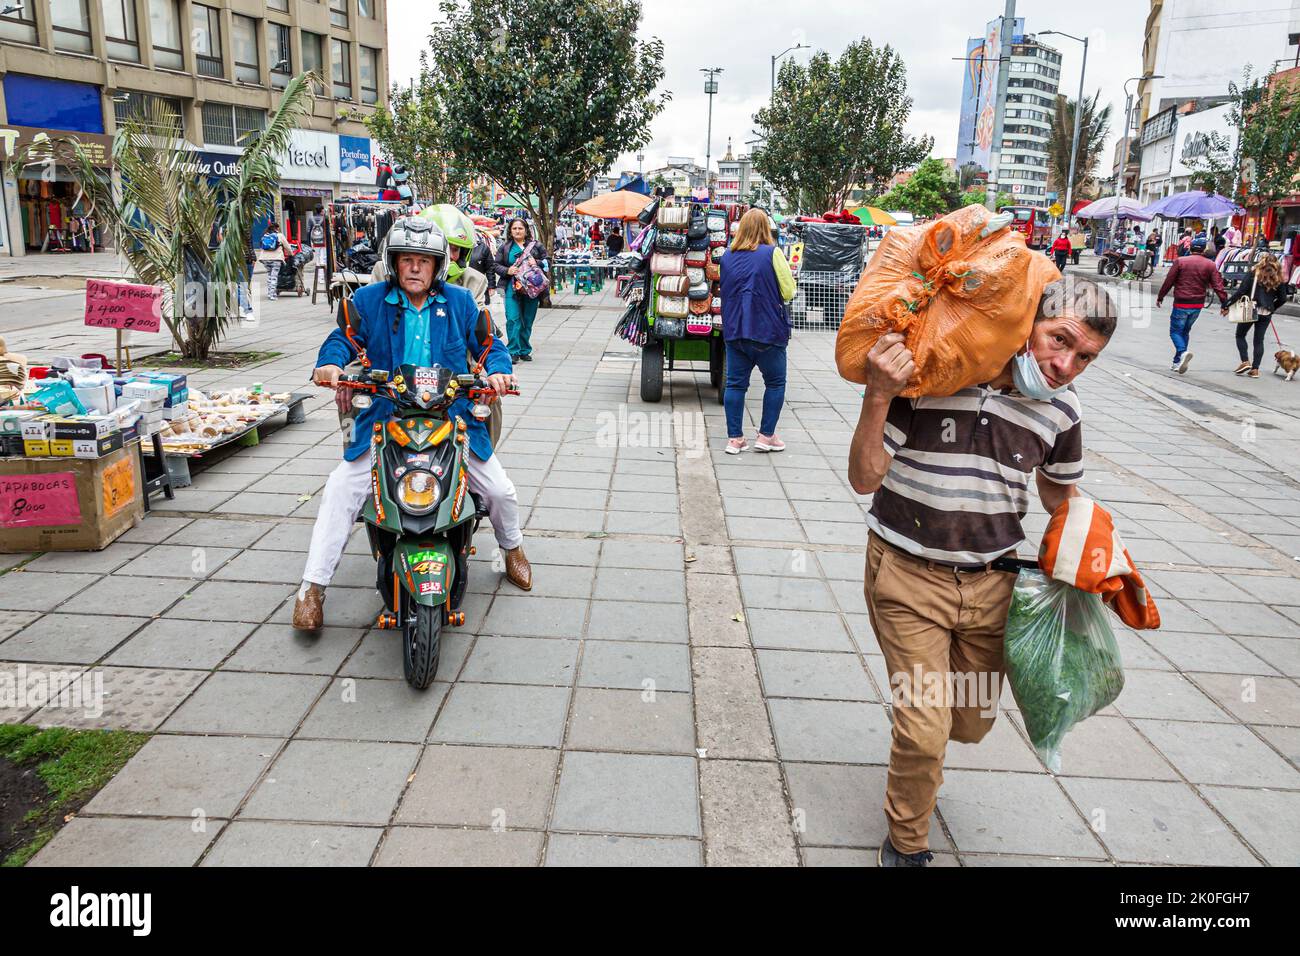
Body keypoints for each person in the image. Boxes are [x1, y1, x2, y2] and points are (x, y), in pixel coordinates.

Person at [847, 274, 1117, 867]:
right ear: (1028, 323)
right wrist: (877, 394)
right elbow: (865, 478)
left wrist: (1098, 550)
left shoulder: (1063, 412)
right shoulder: (938, 371)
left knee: (966, 724)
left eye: (1085, 358)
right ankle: (907, 843)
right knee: (923, 726)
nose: (1066, 364)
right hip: (907, 578)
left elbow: (1059, 494)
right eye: (1059, 340)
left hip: (995, 586)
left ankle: (918, 762)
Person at [292, 218, 533, 631]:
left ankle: (512, 548)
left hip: (452, 418)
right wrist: (330, 363)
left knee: (500, 490)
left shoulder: (459, 303)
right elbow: (343, 337)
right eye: (408, 260)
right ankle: (312, 588)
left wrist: (497, 372)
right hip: (385, 418)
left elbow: (491, 345)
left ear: (439, 265)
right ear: (394, 263)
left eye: (424, 260)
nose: (416, 268)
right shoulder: (369, 301)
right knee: (340, 490)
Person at [719, 208, 796, 454]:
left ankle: (735, 439)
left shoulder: (726, 255)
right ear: (766, 228)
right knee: (774, 383)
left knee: (735, 384)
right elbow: (788, 292)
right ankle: (766, 436)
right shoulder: (772, 253)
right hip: (768, 331)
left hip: (735, 329)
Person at [1156, 235, 1228, 373]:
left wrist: (1161, 296)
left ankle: (1182, 353)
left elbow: (1169, 281)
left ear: (1190, 247)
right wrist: (1224, 303)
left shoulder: (1180, 261)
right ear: (1203, 250)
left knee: (1175, 331)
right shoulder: (1210, 265)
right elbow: (1218, 286)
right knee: (1185, 331)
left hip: (1181, 303)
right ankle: (1177, 362)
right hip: (1197, 305)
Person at [1223, 254, 1292, 378]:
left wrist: (1227, 304)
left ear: (1262, 262)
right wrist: (1272, 307)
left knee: (1240, 335)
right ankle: (1255, 369)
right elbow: (1282, 298)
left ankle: (1245, 361)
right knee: (1259, 340)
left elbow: (1241, 292)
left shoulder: (1253, 274)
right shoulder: (1279, 278)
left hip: (1250, 308)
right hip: (1266, 312)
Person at [492, 218, 548, 363]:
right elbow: (495, 265)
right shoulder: (505, 248)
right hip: (511, 287)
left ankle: (524, 350)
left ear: (526, 230)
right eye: (514, 228)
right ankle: (513, 351)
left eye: (520, 228)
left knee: (527, 320)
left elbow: (548, 261)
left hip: (532, 288)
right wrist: (507, 270)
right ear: (510, 231)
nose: (517, 231)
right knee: (512, 319)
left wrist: (537, 263)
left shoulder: (536, 246)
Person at [256, 219, 292, 300]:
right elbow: (288, 247)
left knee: (269, 275)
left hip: (264, 259)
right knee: (274, 276)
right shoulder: (280, 235)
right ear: (277, 228)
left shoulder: (265, 235)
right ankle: (272, 295)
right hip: (276, 259)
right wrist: (291, 254)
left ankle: (269, 293)